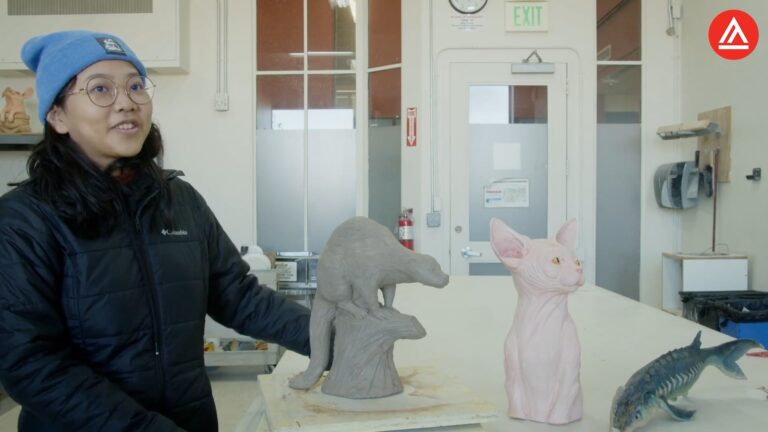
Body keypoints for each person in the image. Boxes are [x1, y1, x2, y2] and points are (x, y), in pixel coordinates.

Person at [0, 30, 311, 432]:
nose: (126, 102)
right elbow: (30, 364)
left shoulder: (178, 200)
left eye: (135, 86)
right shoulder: (24, 221)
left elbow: (238, 296)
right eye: (100, 89)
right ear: (57, 115)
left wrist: (331, 336)